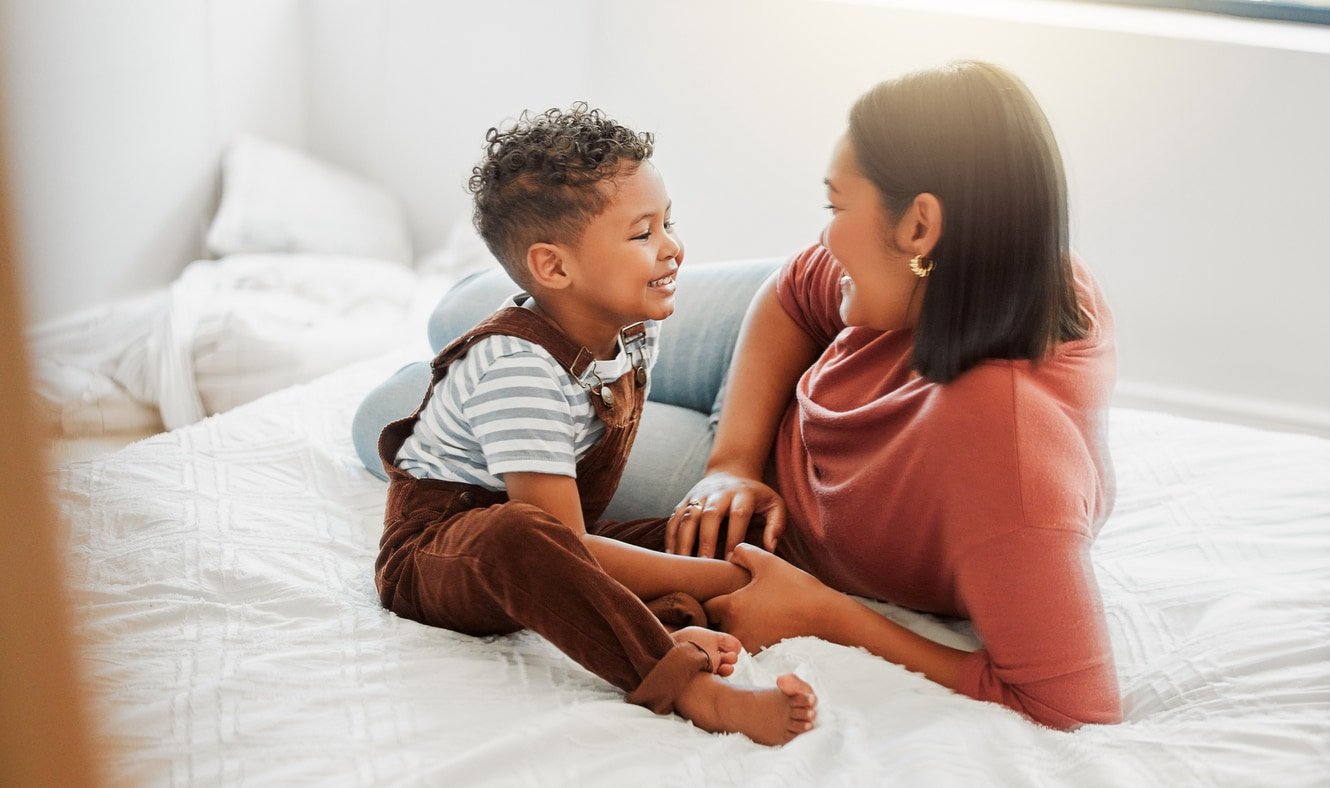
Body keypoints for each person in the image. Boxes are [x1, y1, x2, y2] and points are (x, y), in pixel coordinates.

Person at [356, 60, 1120, 731]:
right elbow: (794, 290)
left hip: (782, 495)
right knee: (468, 314)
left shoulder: (1009, 447)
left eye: (835, 209)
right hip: (757, 425)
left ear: (919, 225)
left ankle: (488, 368)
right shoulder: (957, 270)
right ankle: (500, 338)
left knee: (384, 411)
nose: (822, 240)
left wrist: (826, 612)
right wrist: (731, 461)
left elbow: (1070, 702)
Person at [373, 104, 816, 746]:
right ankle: (691, 687)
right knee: (522, 536)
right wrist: (728, 577)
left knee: (720, 530)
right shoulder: (517, 369)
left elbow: (579, 539)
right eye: (643, 234)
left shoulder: (633, 329)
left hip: (557, 529)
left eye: (669, 222)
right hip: (444, 550)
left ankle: (672, 619)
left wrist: (723, 556)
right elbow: (562, 541)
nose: (672, 247)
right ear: (554, 268)